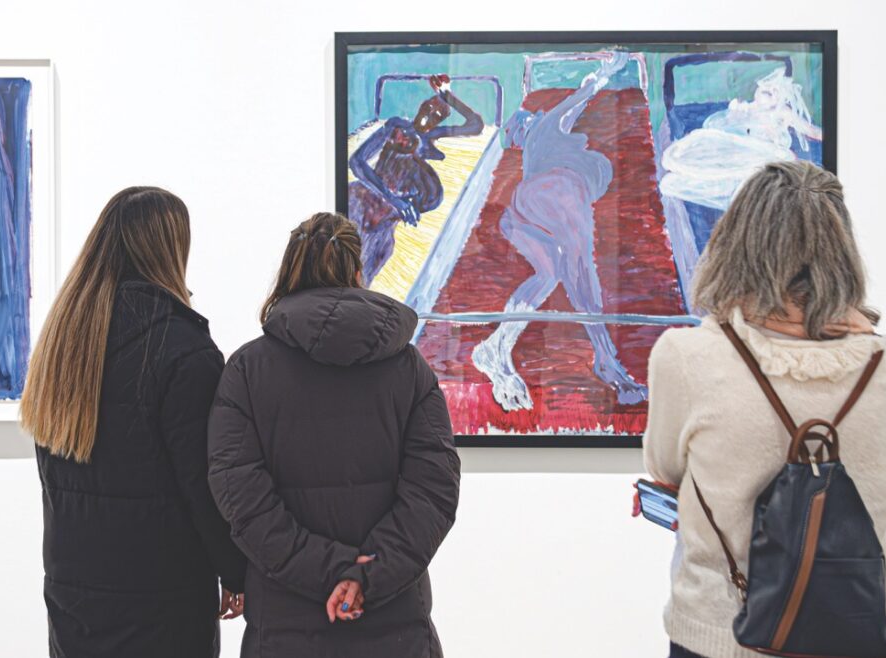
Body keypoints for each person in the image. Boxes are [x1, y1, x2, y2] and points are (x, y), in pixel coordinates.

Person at [642, 161, 886, 658]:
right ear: (843, 251)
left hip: (722, 635)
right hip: (854, 632)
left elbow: (665, 471)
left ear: (736, 243)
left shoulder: (688, 357)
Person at [207, 212, 461, 658]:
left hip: (286, 627)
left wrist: (332, 572)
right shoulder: (409, 369)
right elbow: (434, 491)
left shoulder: (246, 372)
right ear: (358, 271)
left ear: (287, 272)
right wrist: (366, 575)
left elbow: (243, 503)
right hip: (394, 623)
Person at [20, 187, 247, 658]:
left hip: (74, 594)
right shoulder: (184, 351)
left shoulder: (63, 342)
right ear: (171, 249)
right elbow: (204, 484)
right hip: (160, 599)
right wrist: (236, 571)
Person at [470, 52, 647, 411]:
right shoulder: (546, 128)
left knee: (549, 274)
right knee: (581, 268)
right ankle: (606, 360)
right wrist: (604, 73)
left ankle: (498, 343)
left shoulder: (537, 149)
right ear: (530, 122)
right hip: (558, 192)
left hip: (523, 210)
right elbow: (577, 100)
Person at [348, 74, 485, 285]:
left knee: (368, 268)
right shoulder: (396, 127)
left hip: (385, 218)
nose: (431, 112)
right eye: (430, 105)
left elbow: (475, 125)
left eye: (438, 113)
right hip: (364, 197)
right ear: (421, 105)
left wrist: (446, 95)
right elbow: (357, 162)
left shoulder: (430, 138)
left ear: (440, 121)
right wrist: (392, 198)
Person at [660, 67, 823, 211]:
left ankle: (693, 172)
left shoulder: (783, 112)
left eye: (774, 92)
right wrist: (735, 114)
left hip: (770, 153)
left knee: (734, 174)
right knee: (705, 139)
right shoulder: (747, 108)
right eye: (764, 90)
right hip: (747, 148)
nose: (767, 93)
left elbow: (811, 131)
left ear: (781, 99)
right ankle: (684, 163)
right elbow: (719, 125)